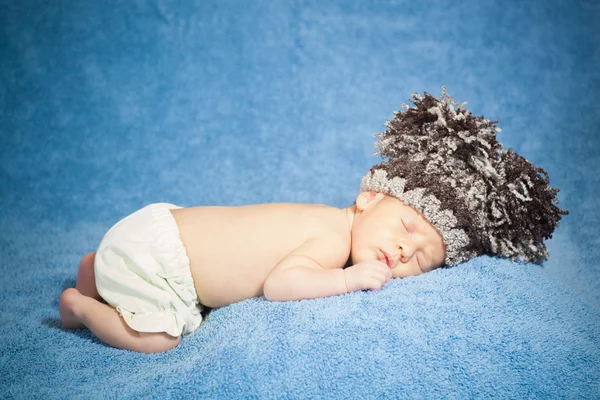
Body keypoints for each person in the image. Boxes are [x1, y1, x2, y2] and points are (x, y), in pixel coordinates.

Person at [59, 88, 568, 353]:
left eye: (425, 260)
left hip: (160, 234)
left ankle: (98, 270)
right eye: (409, 227)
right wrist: (345, 280)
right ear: (368, 199)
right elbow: (281, 284)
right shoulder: (330, 238)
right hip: (162, 260)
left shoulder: (326, 220)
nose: (407, 251)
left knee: (162, 298)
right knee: (159, 341)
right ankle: (81, 306)